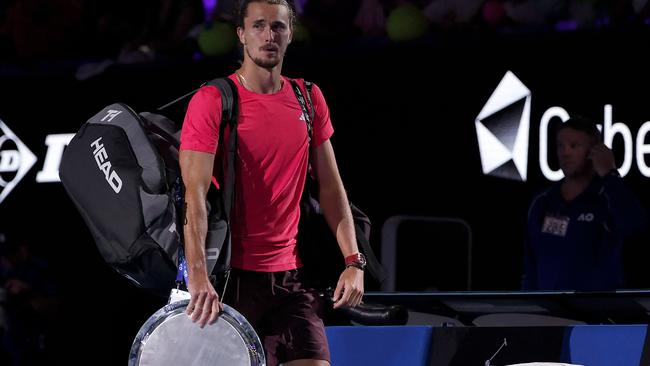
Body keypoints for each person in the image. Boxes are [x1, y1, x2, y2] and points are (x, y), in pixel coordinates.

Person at [179, 1, 365, 365]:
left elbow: (331, 187)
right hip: (232, 281)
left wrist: (353, 261)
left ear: (290, 34)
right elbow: (194, 195)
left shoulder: (308, 98)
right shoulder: (214, 99)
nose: (269, 35)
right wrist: (198, 277)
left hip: (292, 279)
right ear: (241, 34)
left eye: (278, 27)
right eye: (259, 26)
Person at [522, 116, 647, 291]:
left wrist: (610, 174)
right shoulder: (543, 201)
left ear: (594, 151)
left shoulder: (607, 197)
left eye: (574, 146)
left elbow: (635, 226)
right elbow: (530, 265)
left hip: (597, 313)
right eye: (560, 146)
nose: (565, 153)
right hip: (550, 313)